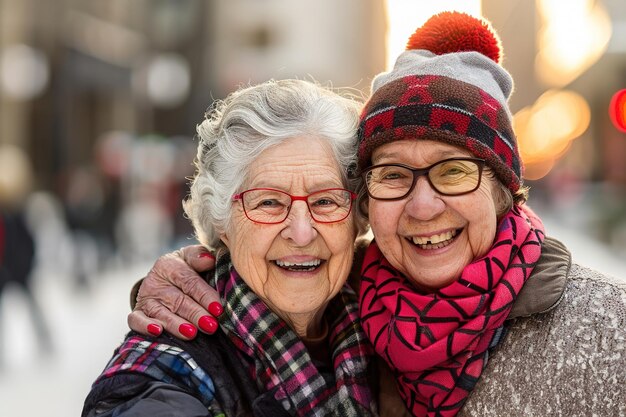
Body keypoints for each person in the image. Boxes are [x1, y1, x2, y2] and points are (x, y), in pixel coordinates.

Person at [127, 12, 626, 417]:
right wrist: (180, 282)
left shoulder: (609, 334)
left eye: (453, 172)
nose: (424, 205)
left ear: (503, 189)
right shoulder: (358, 307)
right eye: (392, 175)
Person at [82, 79, 379, 417]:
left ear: (357, 217)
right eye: (268, 202)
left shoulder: (389, 331)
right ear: (221, 220)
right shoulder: (167, 369)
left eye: (325, 200)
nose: (301, 232)